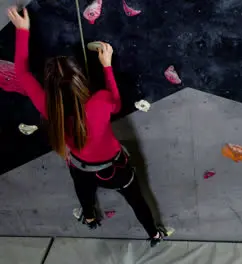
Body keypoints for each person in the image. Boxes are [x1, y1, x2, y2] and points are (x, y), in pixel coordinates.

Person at [7, 6, 166, 246]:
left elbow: (21, 71)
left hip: (80, 166)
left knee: (84, 194)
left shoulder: (47, 105)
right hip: (114, 168)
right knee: (136, 200)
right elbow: (117, 103)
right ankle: (154, 234)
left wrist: (22, 31)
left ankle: (90, 218)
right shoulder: (100, 100)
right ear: (80, 78)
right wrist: (107, 66)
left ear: (49, 87)